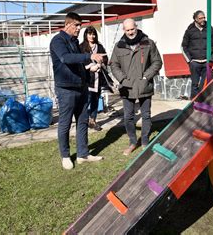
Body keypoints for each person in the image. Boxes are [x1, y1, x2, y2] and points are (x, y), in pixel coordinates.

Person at [49, 12, 105, 170]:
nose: (79, 28)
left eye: (80, 25)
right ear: (67, 25)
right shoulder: (58, 41)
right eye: (76, 25)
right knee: (65, 124)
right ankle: (65, 156)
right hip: (66, 89)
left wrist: (88, 68)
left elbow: (77, 63)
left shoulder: (74, 42)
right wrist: (89, 56)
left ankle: (83, 154)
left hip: (81, 87)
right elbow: (66, 59)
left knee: (82, 121)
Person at [110, 18, 163, 155]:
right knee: (128, 117)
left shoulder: (148, 43)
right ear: (124, 30)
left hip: (144, 85)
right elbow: (114, 65)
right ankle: (133, 142)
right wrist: (122, 78)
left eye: (132, 29)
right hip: (127, 87)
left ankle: (145, 141)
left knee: (146, 115)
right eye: (127, 30)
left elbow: (157, 62)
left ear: (136, 26)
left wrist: (146, 76)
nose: (130, 32)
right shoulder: (119, 46)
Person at [181, 10, 213, 99]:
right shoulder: (190, 30)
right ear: (195, 19)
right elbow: (183, 46)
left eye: (204, 17)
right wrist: (190, 61)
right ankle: (193, 102)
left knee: (204, 83)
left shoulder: (209, 28)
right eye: (201, 18)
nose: (203, 20)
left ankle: (201, 100)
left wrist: (212, 57)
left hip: (206, 61)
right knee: (195, 84)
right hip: (194, 62)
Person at [79, 26, 109, 131]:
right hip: (87, 79)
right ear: (86, 35)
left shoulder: (99, 46)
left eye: (93, 34)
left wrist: (100, 65)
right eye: (89, 34)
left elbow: (105, 58)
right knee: (85, 101)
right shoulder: (81, 47)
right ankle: (84, 121)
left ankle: (93, 121)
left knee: (95, 100)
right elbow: (79, 62)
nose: (92, 36)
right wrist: (90, 67)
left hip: (98, 78)